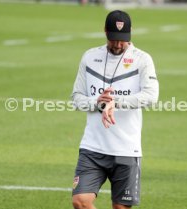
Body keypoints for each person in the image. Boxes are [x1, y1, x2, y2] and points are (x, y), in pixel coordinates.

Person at [71, 10, 159, 209]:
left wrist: (115, 102)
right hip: (92, 148)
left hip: (126, 149)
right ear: (104, 32)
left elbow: (151, 96)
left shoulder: (142, 59)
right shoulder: (90, 57)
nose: (118, 44)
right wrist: (97, 102)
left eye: (123, 40)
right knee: (80, 202)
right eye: (113, 39)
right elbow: (76, 98)